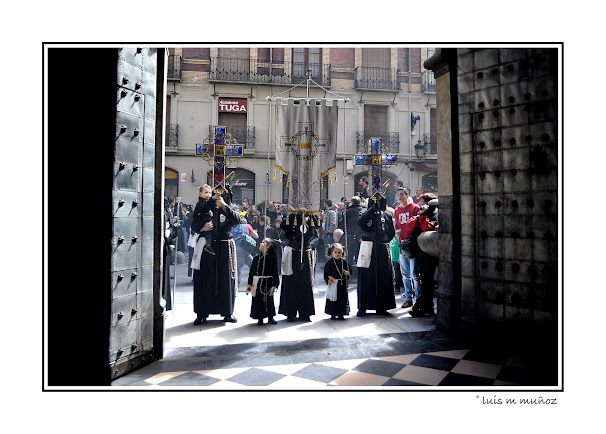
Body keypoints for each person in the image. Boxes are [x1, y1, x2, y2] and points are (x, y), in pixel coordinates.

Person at [191, 188, 241, 324]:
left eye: (222, 194)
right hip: (208, 246)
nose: (219, 196)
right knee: (204, 279)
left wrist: (224, 206)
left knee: (225, 279)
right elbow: (194, 223)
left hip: (225, 246)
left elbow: (237, 220)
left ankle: (227, 312)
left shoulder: (231, 207)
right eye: (216, 193)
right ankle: (202, 312)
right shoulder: (205, 205)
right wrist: (203, 227)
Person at [356, 197, 396, 317]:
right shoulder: (364, 212)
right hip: (368, 247)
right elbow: (360, 223)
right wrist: (371, 210)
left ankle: (382, 306)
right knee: (366, 277)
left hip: (382, 248)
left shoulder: (387, 215)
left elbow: (391, 232)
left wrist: (384, 240)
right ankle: (363, 306)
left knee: (383, 277)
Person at [278, 215, 319, 322]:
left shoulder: (311, 217)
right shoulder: (291, 217)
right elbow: (283, 226)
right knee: (290, 281)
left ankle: (305, 312)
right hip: (292, 251)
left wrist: (311, 214)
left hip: (305, 252)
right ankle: (290, 312)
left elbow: (316, 230)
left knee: (305, 282)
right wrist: (291, 214)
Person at [405, 194, 439, 317]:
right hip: (421, 252)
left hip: (429, 254)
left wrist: (423, 215)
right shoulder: (421, 215)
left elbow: (426, 228)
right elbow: (409, 226)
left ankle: (423, 305)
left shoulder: (434, 215)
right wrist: (420, 215)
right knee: (424, 279)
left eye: (422, 202)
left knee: (427, 280)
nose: (420, 204)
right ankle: (426, 306)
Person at [393, 187, 420, 308]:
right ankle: (408, 297)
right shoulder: (397, 210)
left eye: (402, 194)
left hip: (413, 243)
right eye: (398, 195)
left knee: (415, 273)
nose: (399, 197)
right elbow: (397, 225)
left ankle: (418, 298)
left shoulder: (415, 208)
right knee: (405, 273)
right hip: (402, 243)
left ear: (407, 195)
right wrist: (397, 231)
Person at [246, 238, 280, 325]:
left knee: (268, 299)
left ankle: (270, 317)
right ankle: (260, 317)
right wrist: (249, 287)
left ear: (268, 246)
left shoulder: (272, 258)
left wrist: (275, 284)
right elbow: (252, 273)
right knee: (258, 300)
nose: (261, 244)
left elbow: (275, 272)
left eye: (263, 242)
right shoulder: (256, 258)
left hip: (267, 282)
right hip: (257, 282)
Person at [324, 243, 351, 320]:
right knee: (333, 298)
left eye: (339, 252)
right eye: (335, 252)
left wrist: (347, 273)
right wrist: (328, 279)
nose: (337, 254)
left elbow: (349, 271)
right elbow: (326, 273)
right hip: (333, 283)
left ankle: (341, 313)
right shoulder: (329, 263)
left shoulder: (344, 262)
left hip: (342, 284)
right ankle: (332, 313)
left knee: (342, 299)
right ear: (332, 253)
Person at [191, 184, 216, 256]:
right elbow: (195, 223)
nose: (208, 194)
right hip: (203, 234)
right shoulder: (201, 203)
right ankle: (208, 245)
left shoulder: (211, 203)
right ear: (201, 193)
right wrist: (202, 227)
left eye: (209, 192)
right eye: (206, 192)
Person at [343, 196, 363, 273]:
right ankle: (360, 274)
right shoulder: (364, 210)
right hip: (360, 237)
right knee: (359, 256)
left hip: (350, 236)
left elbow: (343, 223)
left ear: (352, 203)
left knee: (349, 256)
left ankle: (349, 272)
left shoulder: (348, 211)